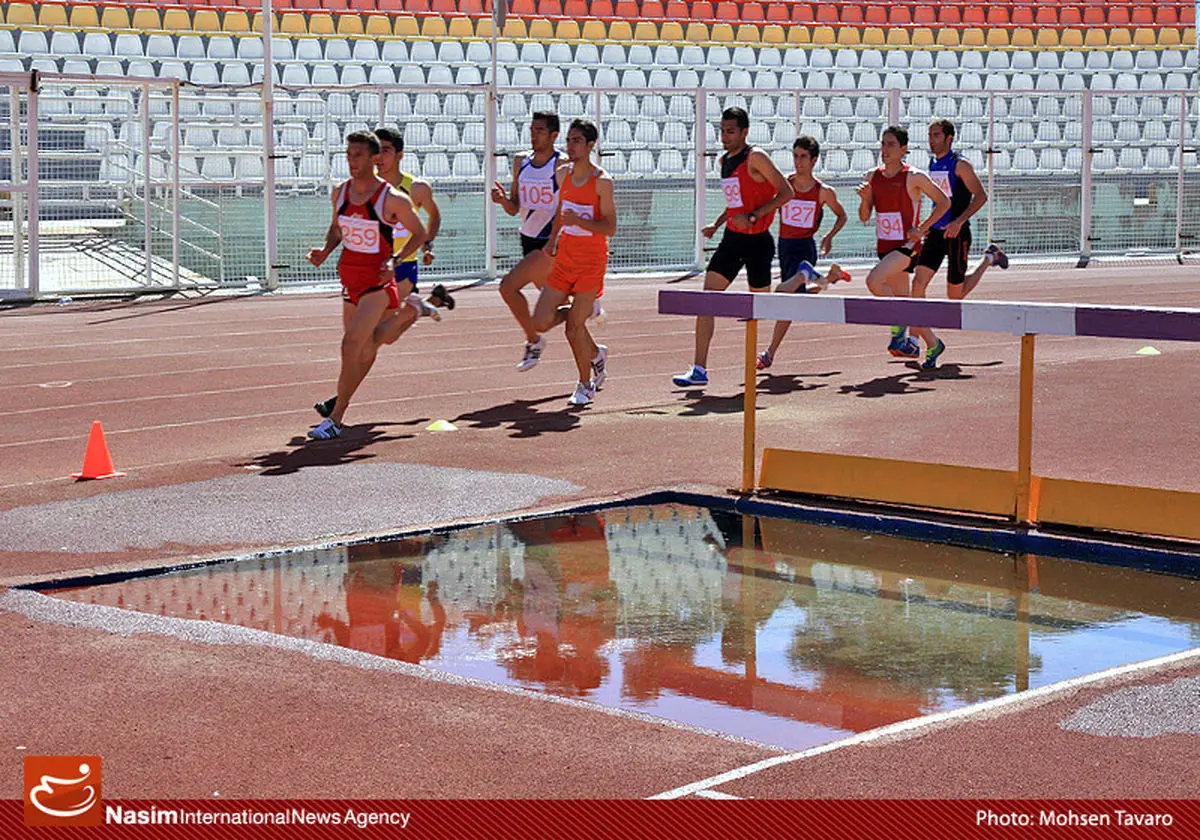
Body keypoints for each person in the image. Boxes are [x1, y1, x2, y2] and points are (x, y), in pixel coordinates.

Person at [305, 131, 428, 440]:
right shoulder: (340, 193)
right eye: (348, 154)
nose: (351, 160)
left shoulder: (392, 198)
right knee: (366, 348)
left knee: (350, 345)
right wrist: (325, 251)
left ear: (374, 159)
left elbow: (419, 232)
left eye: (358, 155)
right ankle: (410, 312)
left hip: (377, 282)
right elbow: (337, 228)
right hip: (350, 279)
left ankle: (335, 418)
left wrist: (395, 260)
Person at [674, 107, 793, 388]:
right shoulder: (724, 161)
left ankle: (800, 281)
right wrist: (717, 224)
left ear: (744, 132)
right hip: (732, 238)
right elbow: (734, 203)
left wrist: (754, 216)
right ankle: (699, 368)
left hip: (758, 242)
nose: (725, 137)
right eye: (722, 131)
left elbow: (786, 193)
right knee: (707, 299)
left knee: (760, 306)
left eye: (730, 131)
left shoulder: (757, 158)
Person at [529, 119, 615, 406]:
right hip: (565, 258)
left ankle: (585, 383)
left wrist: (580, 222)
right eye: (569, 140)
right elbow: (560, 212)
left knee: (572, 329)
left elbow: (610, 227)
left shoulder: (602, 181)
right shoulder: (563, 174)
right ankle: (595, 349)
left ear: (591, 146)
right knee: (539, 321)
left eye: (577, 141)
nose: (571, 146)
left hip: (591, 262)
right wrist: (552, 240)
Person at [857, 125, 951, 368]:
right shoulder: (872, 176)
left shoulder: (914, 177)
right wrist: (866, 199)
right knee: (905, 302)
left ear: (904, 149)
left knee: (873, 281)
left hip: (907, 247)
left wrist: (922, 228)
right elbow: (865, 216)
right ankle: (933, 343)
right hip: (885, 247)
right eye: (883, 144)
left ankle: (898, 332)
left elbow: (944, 202)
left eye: (890, 145)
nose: (884, 149)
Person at [756, 135, 850, 371]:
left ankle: (769, 353)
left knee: (783, 298)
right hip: (785, 246)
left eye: (803, 157)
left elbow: (842, 215)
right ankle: (826, 278)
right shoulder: (784, 185)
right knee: (797, 299)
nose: (798, 162)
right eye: (795, 156)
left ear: (814, 159)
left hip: (805, 246)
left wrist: (829, 236)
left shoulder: (823, 191)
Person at [912, 119, 1008, 329]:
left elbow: (981, 196)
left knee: (955, 295)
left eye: (936, 135)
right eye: (930, 135)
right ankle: (914, 337)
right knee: (918, 282)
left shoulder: (960, 164)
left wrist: (959, 222)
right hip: (936, 234)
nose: (931, 140)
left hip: (957, 234)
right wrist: (927, 224)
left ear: (949, 138)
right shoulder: (933, 163)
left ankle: (989, 259)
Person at [491, 111, 567, 372]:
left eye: (540, 131)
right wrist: (502, 201)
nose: (534, 135)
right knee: (550, 314)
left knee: (507, 287)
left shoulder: (562, 165)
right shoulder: (520, 161)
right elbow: (515, 208)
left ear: (554, 135)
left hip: (551, 243)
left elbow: (567, 207)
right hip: (528, 240)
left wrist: (555, 240)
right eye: (532, 130)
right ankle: (594, 351)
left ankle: (534, 342)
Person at [374, 125, 454, 311]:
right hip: (375, 262)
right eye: (376, 151)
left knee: (391, 316)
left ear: (399, 155)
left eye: (386, 151)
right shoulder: (366, 187)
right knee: (387, 318)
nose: (379, 157)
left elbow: (434, 216)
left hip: (404, 261)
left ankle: (429, 302)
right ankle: (434, 301)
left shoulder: (417, 188)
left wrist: (428, 244)